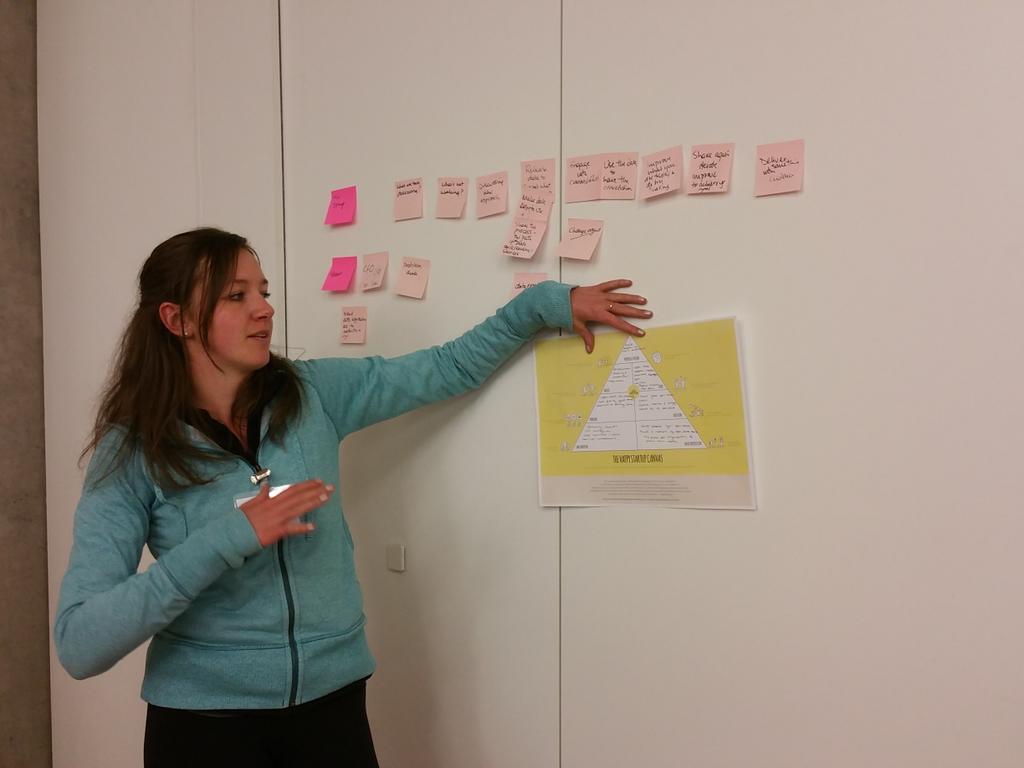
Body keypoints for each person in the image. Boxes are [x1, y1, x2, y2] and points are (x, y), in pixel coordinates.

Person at [54, 227, 651, 767]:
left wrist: (542, 305)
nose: (265, 308)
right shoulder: (132, 450)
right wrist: (227, 539)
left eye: (263, 291)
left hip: (331, 708)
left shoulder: (311, 394)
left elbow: (446, 368)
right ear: (177, 318)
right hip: (204, 728)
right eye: (237, 296)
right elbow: (81, 644)